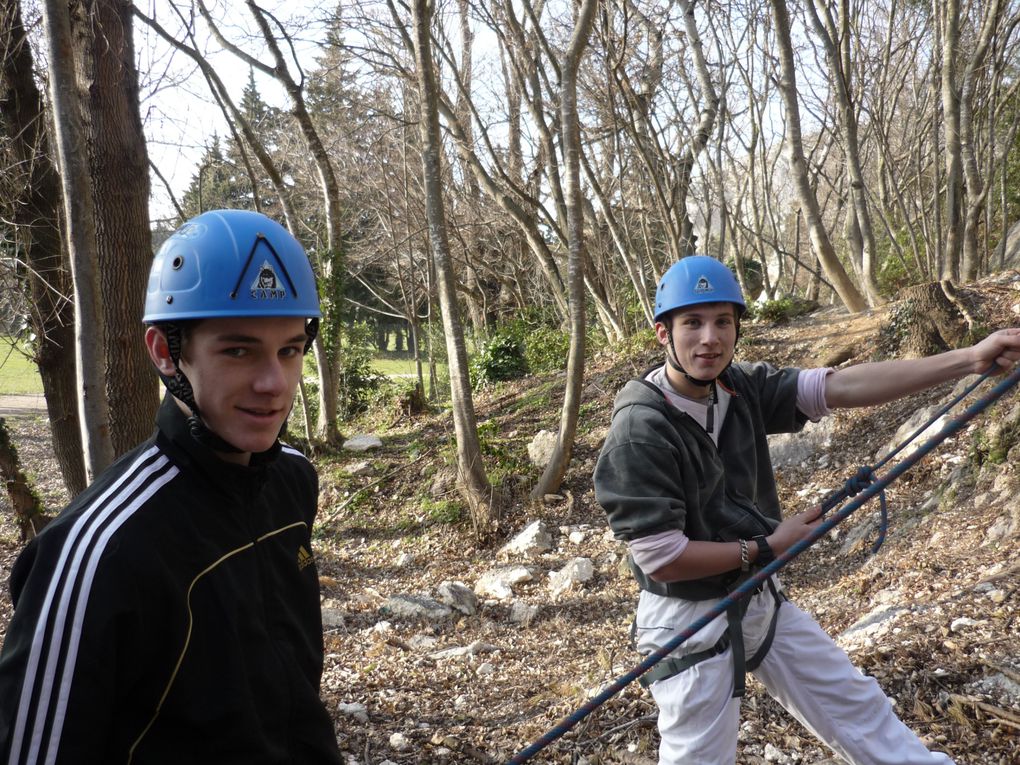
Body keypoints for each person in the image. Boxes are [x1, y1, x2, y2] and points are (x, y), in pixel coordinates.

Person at [593, 255, 1020, 765]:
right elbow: (662, 558)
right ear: (664, 333)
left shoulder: (739, 387)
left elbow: (840, 387)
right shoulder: (639, 430)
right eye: (692, 323)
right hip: (689, 615)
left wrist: (970, 359)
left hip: (756, 594)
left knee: (859, 709)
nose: (710, 338)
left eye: (723, 322)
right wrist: (766, 546)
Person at [0, 210, 343, 764]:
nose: (274, 384)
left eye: (290, 349)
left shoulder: (291, 479)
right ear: (165, 352)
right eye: (238, 350)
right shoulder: (100, 550)